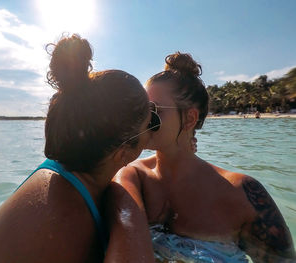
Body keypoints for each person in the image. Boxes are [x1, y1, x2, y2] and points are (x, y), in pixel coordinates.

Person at [0, 34, 161, 263]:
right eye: (152, 122)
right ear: (123, 153)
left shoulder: (60, 174)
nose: (155, 129)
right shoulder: (67, 222)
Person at [109, 52, 296, 262]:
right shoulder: (133, 176)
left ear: (189, 119)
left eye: (154, 111)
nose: (143, 120)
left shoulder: (242, 194)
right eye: (141, 111)